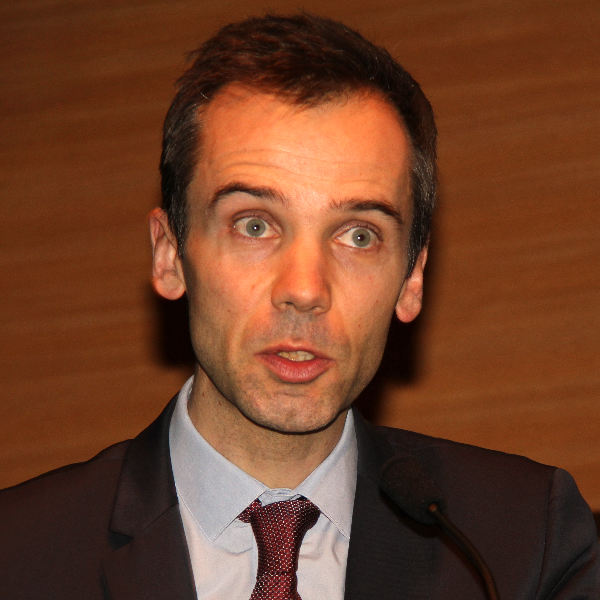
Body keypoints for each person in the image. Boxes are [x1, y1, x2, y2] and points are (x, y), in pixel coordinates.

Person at [0, 13, 597, 600]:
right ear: (169, 255)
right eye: (254, 225)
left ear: (411, 278)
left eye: (358, 235)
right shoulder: (18, 555)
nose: (306, 290)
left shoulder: (523, 546)